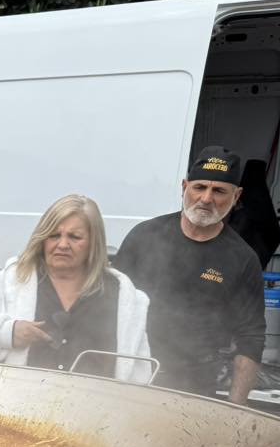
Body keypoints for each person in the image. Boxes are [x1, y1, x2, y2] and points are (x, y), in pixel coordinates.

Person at [113, 146, 265, 403]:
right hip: (135, 371)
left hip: (196, 383)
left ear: (236, 195)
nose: (206, 198)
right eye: (199, 187)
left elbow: (251, 336)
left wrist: (234, 408)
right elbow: (110, 303)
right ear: (185, 186)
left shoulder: (243, 259)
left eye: (218, 191)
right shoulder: (144, 236)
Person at [0, 195, 152, 382]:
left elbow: (140, 376)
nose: (63, 244)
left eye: (74, 237)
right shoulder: (15, 280)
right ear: (43, 239)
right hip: (18, 413)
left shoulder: (122, 295)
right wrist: (6, 333)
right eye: (54, 235)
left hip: (96, 416)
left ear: (93, 243)